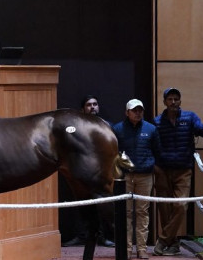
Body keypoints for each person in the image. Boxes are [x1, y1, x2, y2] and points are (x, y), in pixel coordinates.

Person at [153, 87, 203, 256]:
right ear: (164, 102)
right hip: (162, 169)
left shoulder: (190, 117)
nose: (173, 102)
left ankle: (163, 240)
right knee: (164, 208)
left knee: (181, 206)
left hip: (183, 169)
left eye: (176, 99)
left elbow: (200, 129)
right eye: (170, 99)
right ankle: (173, 244)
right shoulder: (157, 121)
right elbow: (152, 144)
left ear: (180, 101)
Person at [63, 95, 115, 248]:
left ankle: (104, 237)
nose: (92, 107)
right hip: (79, 172)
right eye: (89, 105)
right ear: (83, 109)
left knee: (103, 204)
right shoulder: (75, 128)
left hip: (101, 173)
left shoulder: (107, 126)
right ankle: (81, 236)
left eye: (95, 104)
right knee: (81, 204)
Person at [113, 99, 161, 259]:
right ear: (127, 112)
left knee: (142, 212)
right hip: (125, 177)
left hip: (146, 176)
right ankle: (126, 249)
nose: (138, 113)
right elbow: (114, 154)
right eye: (134, 110)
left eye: (140, 110)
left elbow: (157, 150)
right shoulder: (118, 129)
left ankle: (142, 249)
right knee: (125, 213)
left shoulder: (151, 129)